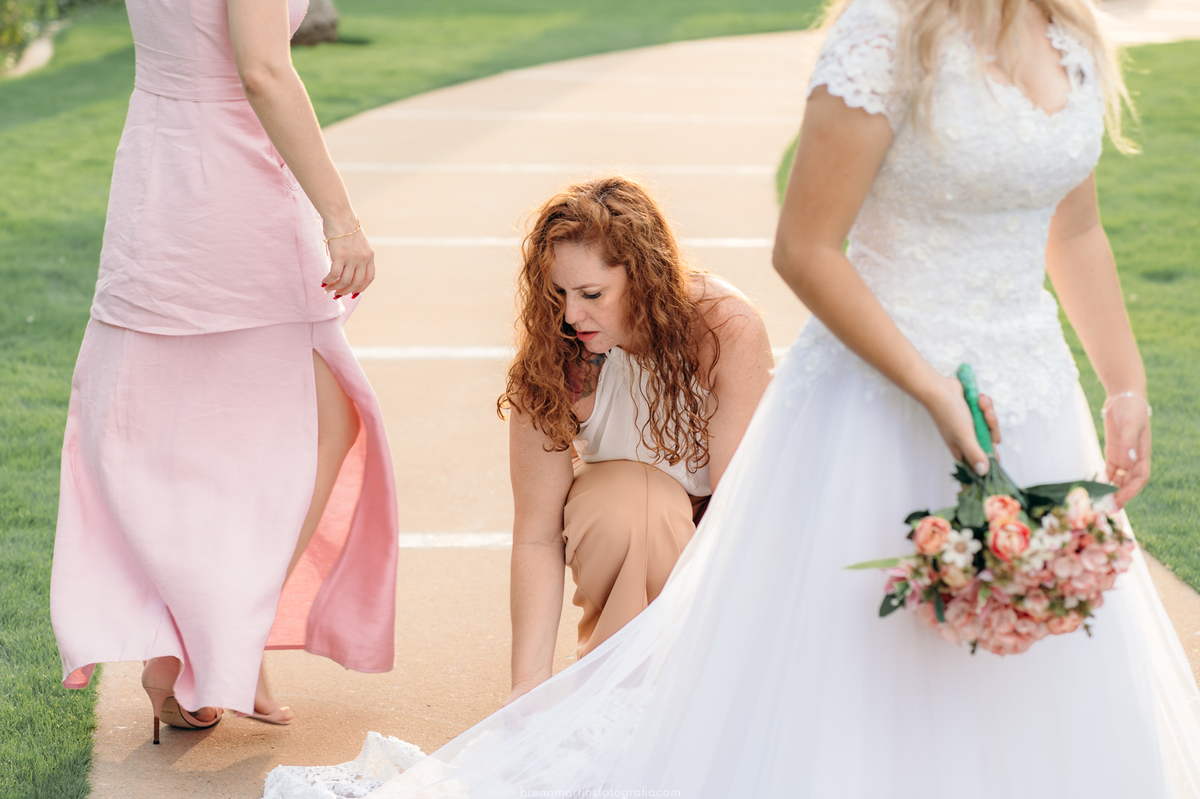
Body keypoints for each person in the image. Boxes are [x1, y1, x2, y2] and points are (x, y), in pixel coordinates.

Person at [262, 0, 1200, 793]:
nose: (574, 311)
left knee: (1041, 639)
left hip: (1030, 389)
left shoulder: (1069, 33)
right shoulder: (884, 32)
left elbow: (1073, 229)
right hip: (886, 398)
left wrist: (1124, 381)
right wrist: (926, 386)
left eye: (590, 293)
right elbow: (807, 247)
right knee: (864, 654)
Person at [50, 0, 399, 743]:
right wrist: (341, 217)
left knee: (179, 428)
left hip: (158, 168)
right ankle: (211, 645)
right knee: (323, 415)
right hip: (228, 179)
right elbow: (264, 71)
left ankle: (199, 646)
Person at [499, 177, 774, 704]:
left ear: (644, 277)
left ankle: (647, 689)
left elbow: (736, 511)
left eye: (592, 294)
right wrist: (526, 682)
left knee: (658, 510)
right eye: (558, 293)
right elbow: (535, 535)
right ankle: (620, 694)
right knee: (632, 498)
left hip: (720, 539)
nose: (569, 316)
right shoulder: (553, 357)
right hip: (616, 533)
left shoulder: (723, 327)